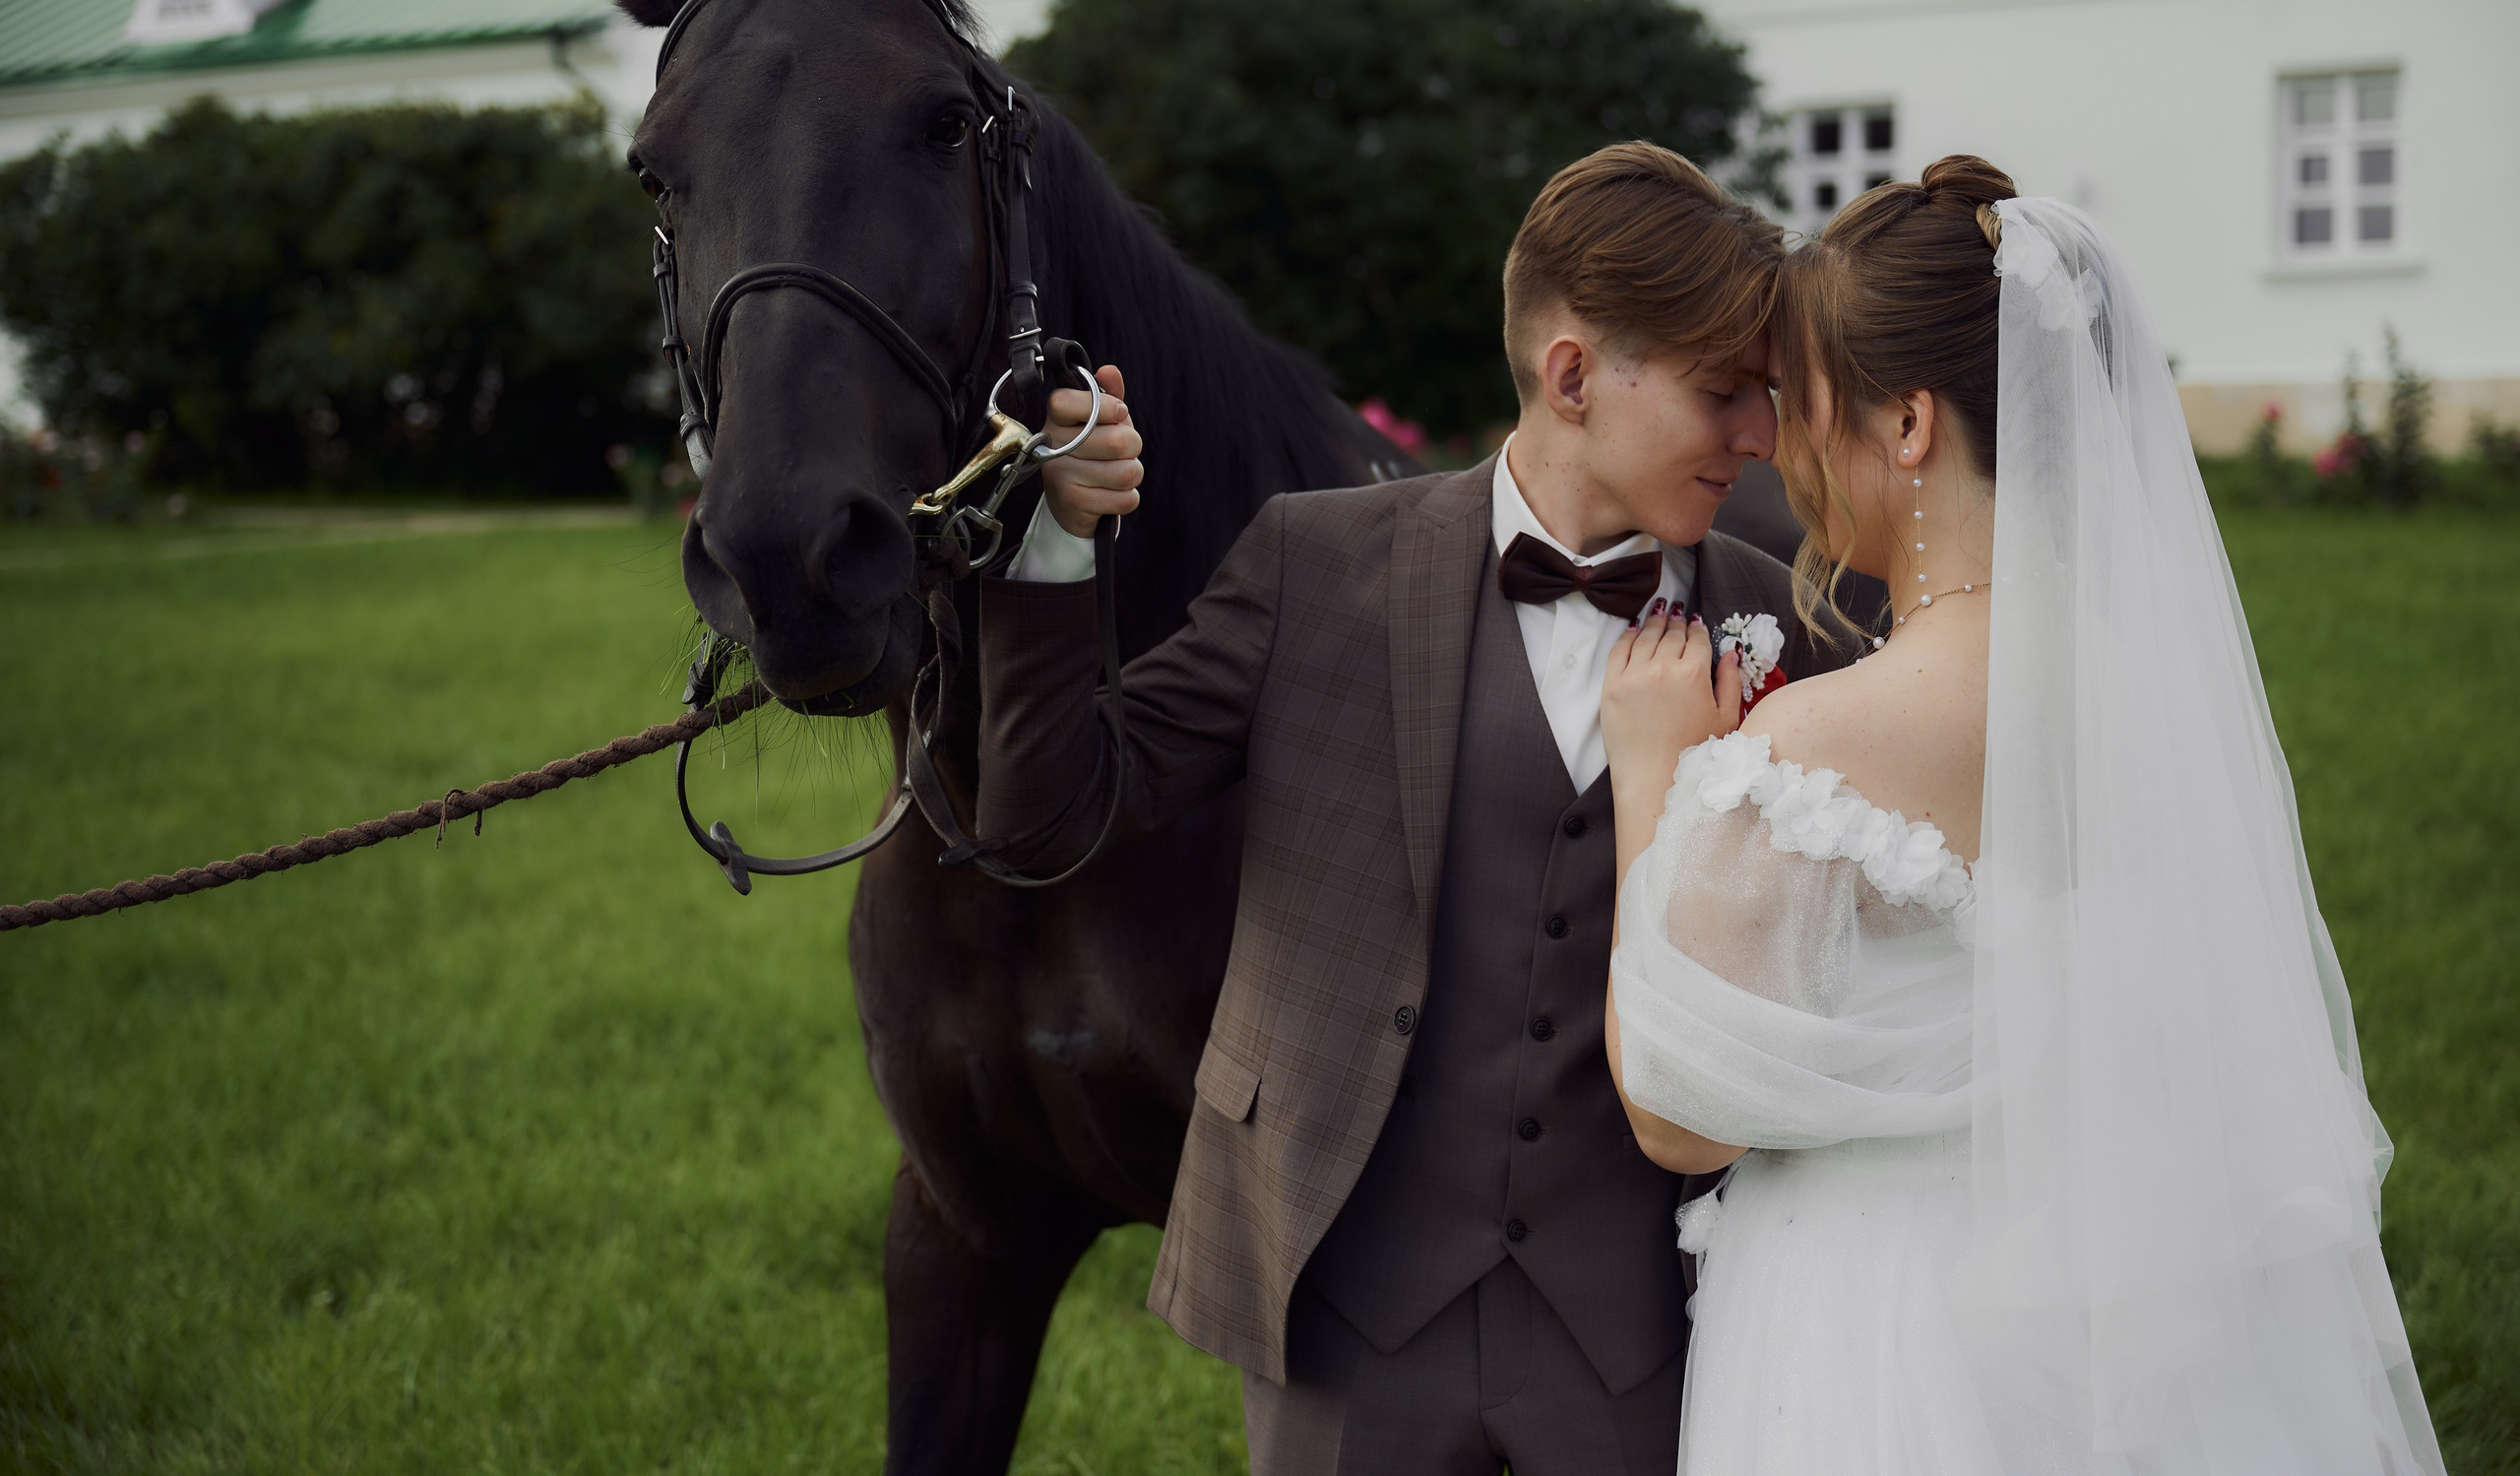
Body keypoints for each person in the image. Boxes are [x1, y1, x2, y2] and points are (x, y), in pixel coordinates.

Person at [975, 143, 1852, 1474]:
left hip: (1646, 1324)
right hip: (1351, 1310)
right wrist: (1048, 542)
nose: (1760, 438)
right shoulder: (1313, 569)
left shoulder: (1786, 622)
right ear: (1572, 376)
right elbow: (1045, 819)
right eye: (1724, 393)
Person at [1598, 156, 2445, 1475]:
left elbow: (1679, 1113)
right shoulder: (2157, 696)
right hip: (2134, 1287)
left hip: (1881, 1316)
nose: (1777, 446)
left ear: (1913, 424)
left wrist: (1654, 774)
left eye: (1801, 403)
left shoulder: (1818, 743)